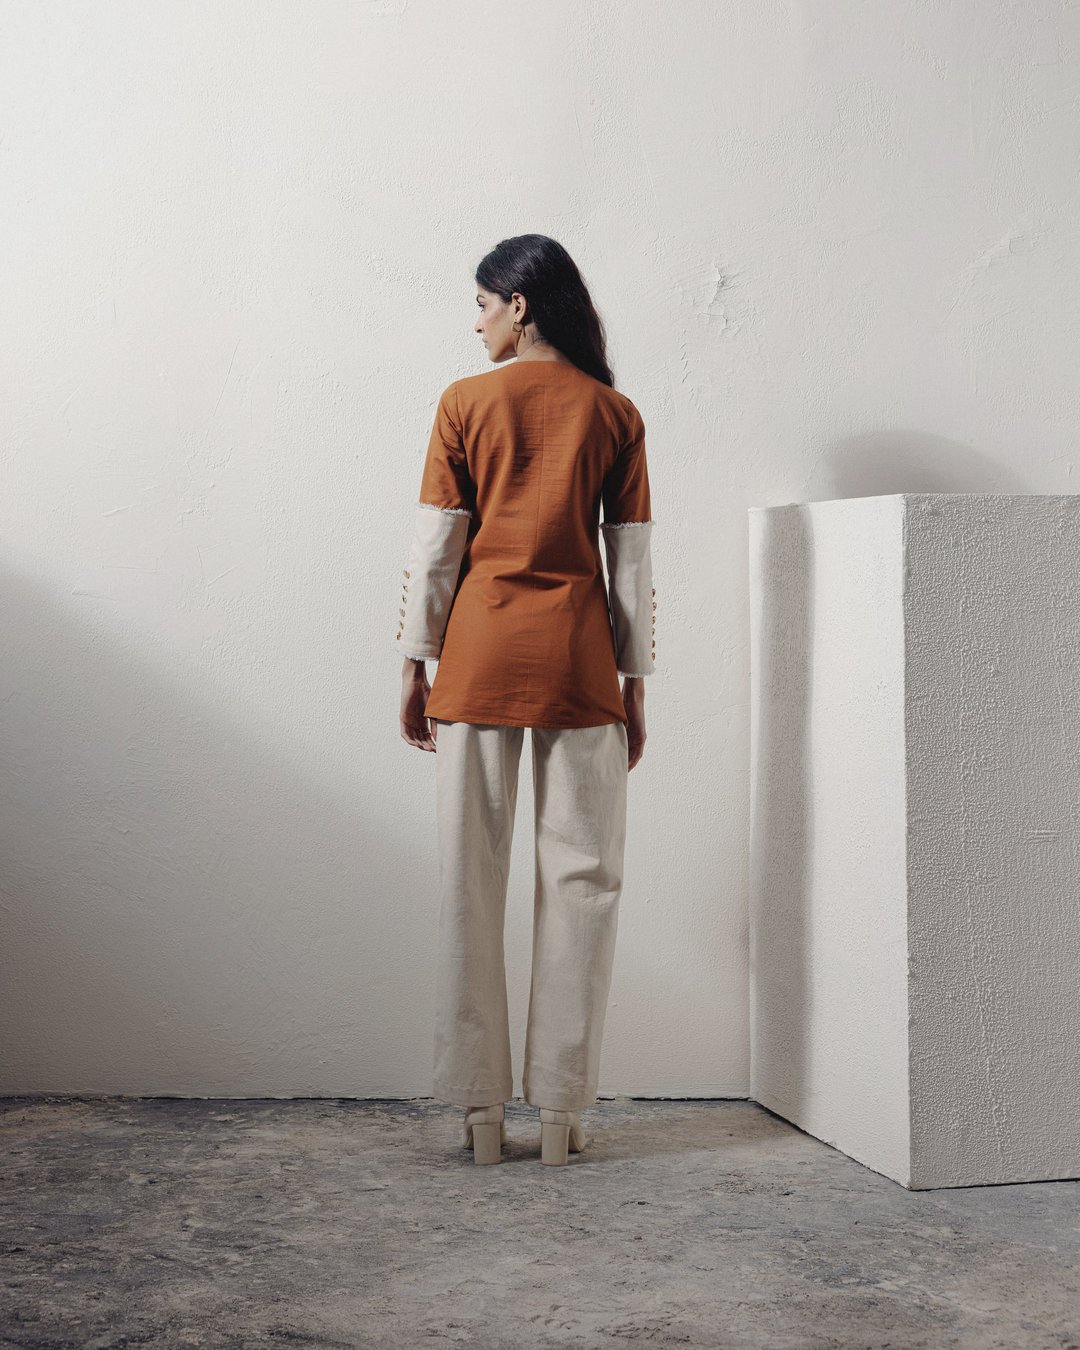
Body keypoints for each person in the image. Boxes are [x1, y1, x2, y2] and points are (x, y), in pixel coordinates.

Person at [395, 234, 655, 1166]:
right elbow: (631, 563)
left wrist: (415, 661)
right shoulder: (615, 413)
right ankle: (561, 1112)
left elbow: (439, 545)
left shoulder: (464, 404)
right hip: (580, 668)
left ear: (521, 304)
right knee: (584, 883)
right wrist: (633, 686)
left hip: (478, 660)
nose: (475, 324)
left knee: (468, 881)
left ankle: (478, 1110)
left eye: (482, 304)